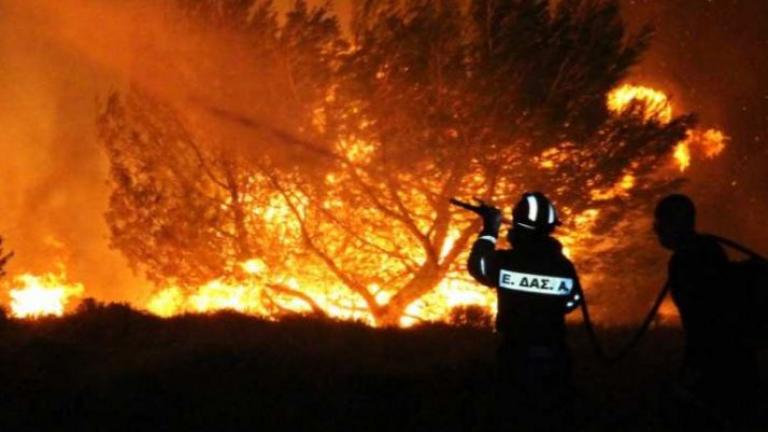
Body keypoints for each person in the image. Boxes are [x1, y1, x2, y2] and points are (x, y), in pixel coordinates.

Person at [466, 192, 582, 431]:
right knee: (553, 414)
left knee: (513, 412)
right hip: (555, 352)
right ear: (551, 228)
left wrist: (490, 228)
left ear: (517, 225)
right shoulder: (562, 265)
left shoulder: (507, 261)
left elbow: (479, 266)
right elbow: (573, 301)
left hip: (515, 352)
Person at [654, 194, 758, 427]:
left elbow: (702, 322)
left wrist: (692, 370)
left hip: (720, 363)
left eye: (660, 223)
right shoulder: (708, 248)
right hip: (738, 358)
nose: (656, 230)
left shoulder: (686, 260)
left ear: (675, 223)